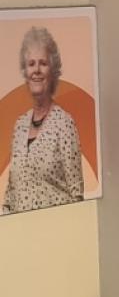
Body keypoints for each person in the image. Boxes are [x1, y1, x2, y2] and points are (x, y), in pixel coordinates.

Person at [4, 24, 84, 214]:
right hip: (21, 235)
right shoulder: (19, 126)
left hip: (55, 233)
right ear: (25, 71)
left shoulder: (64, 123)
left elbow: (77, 197)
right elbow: (10, 195)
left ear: (53, 70)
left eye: (43, 63)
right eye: (31, 64)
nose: (36, 70)